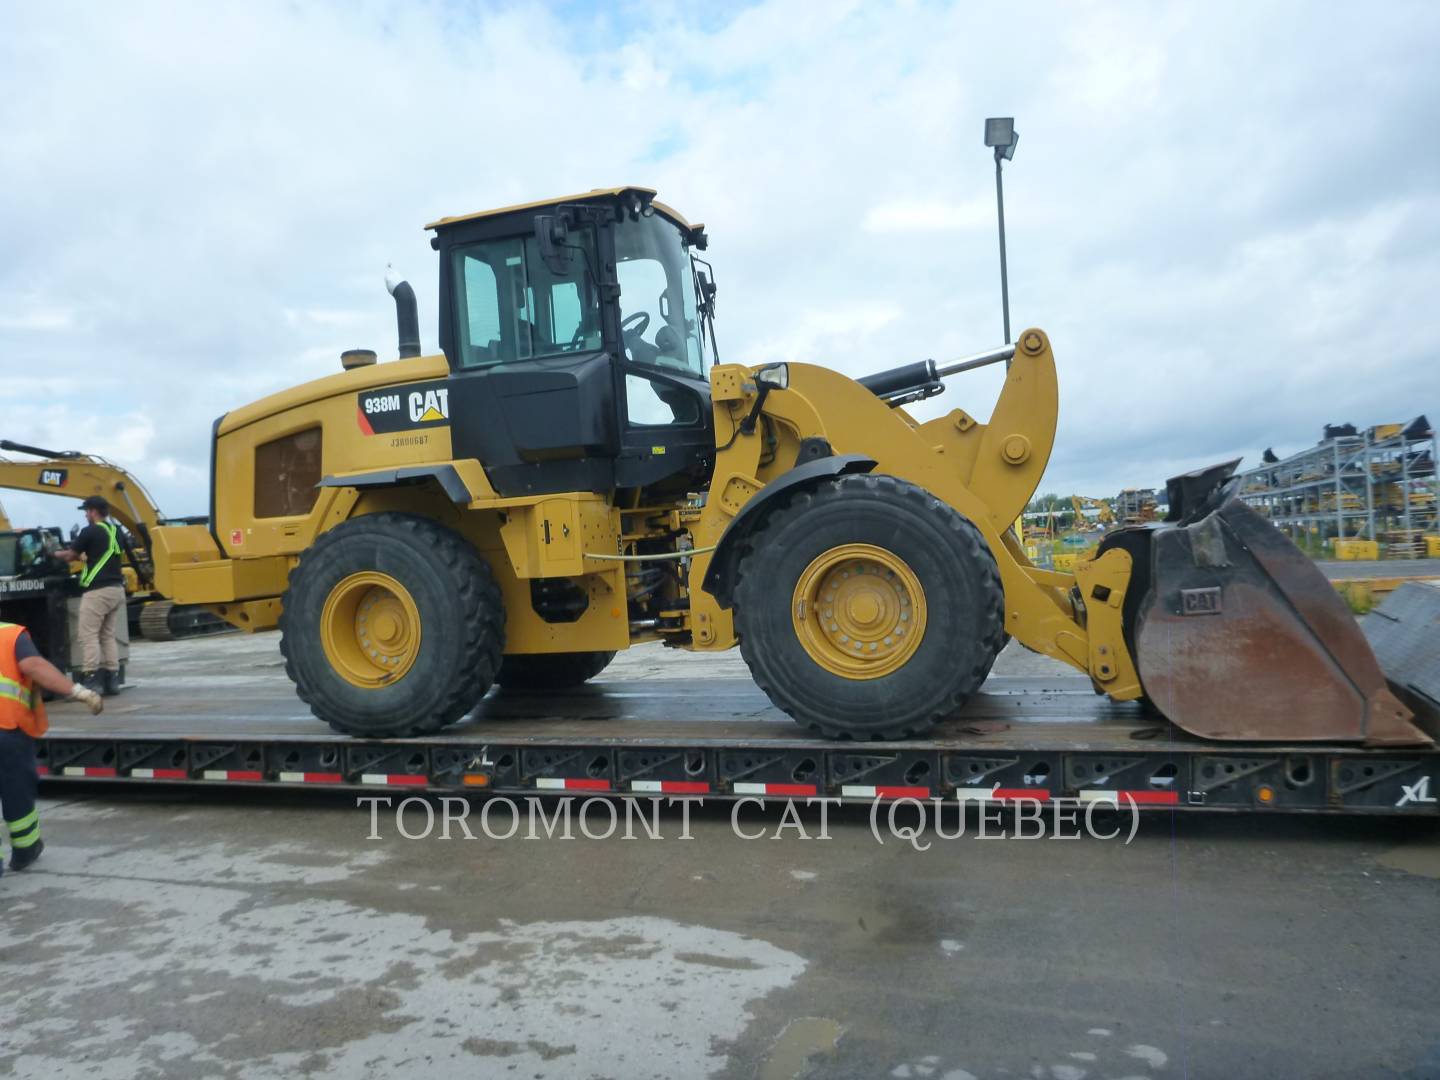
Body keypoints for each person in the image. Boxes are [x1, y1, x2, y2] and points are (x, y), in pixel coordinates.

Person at [0, 619, 103, 877]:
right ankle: (25, 850)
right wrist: (78, 691)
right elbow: (33, 666)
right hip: (6, 729)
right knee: (16, 790)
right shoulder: (10, 635)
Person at [55, 495, 132, 696]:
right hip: (116, 589)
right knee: (107, 636)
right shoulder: (116, 532)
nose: (86, 515)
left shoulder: (89, 531)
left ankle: (92, 679)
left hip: (98, 592)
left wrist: (52, 553)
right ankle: (112, 680)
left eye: (86, 511)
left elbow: (71, 555)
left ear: (93, 511)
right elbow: (101, 553)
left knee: (87, 635)